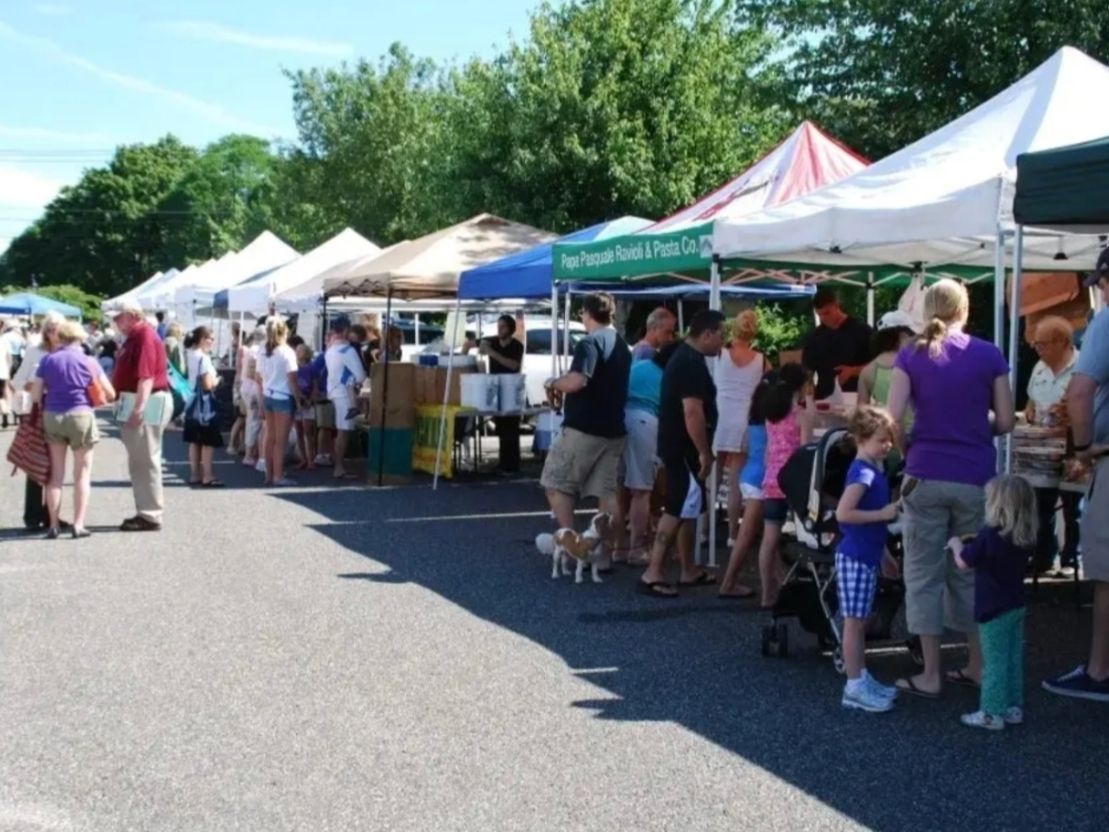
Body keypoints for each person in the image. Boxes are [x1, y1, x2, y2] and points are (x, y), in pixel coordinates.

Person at [887, 278, 1014, 698]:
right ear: (965, 309)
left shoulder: (910, 354)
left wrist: (909, 450)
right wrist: (975, 428)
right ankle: (978, 665)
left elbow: (892, 418)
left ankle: (930, 674)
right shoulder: (989, 354)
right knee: (971, 571)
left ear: (926, 311)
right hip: (976, 476)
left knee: (922, 575)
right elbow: (1007, 421)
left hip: (924, 473)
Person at [1043, 251, 1109, 702]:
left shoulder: (1105, 322)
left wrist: (1084, 448)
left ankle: (1100, 670)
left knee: (1105, 572)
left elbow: (1081, 393)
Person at [637, 310, 724, 597]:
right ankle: (653, 570)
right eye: (721, 335)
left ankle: (688, 568)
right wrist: (703, 452)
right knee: (676, 507)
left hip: (678, 444)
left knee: (689, 506)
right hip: (684, 447)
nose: (723, 342)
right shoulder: (689, 363)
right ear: (707, 335)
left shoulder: (684, 356)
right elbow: (692, 411)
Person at [541, 292, 632, 563]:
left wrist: (552, 382)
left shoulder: (589, 343)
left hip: (584, 429)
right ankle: (604, 556)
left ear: (586, 314)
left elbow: (578, 381)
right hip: (614, 429)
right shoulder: (622, 345)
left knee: (556, 483)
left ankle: (572, 546)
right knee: (606, 494)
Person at [949, 474, 1037, 730]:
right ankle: (1012, 706)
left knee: (994, 662)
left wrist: (955, 544)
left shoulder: (989, 535)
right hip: (1015, 604)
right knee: (1012, 659)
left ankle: (991, 712)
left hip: (992, 609)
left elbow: (964, 562)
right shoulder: (1023, 535)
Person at [833, 406, 902, 712]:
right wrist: (882, 514)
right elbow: (843, 513)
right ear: (861, 440)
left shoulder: (872, 470)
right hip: (856, 556)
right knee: (854, 624)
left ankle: (860, 677)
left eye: (889, 439)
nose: (887, 445)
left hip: (865, 555)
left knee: (858, 623)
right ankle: (854, 685)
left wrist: (884, 554)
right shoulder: (863, 473)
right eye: (881, 440)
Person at [32, 319, 116, 539]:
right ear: (79, 338)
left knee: (55, 475)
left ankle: (53, 525)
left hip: (53, 416)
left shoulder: (47, 360)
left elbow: (36, 395)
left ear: (60, 337)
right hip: (81, 415)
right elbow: (110, 393)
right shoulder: (89, 361)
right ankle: (78, 525)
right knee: (82, 475)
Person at [1024, 315, 1081, 576]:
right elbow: (1030, 399)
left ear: (1061, 342)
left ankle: (1071, 559)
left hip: (1073, 448)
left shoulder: (1082, 367)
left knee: (1072, 507)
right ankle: (1043, 557)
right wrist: (1030, 410)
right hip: (1042, 449)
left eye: (1042, 344)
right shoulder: (1039, 367)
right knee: (1041, 506)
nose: (1037, 349)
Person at [614, 340, 679, 566]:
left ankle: (618, 547)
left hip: (619, 420)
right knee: (641, 491)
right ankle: (636, 549)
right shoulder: (669, 377)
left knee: (619, 489)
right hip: (644, 423)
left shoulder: (640, 365)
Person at [111, 299, 174, 532]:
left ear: (131, 315)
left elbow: (146, 376)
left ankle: (150, 514)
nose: (115, 322)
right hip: (143, 400)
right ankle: (147, 512)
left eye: (118, 317)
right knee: (141, 459)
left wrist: (138, 408)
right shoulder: (137, 336)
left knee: (146, 459)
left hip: (148, 401)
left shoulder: (144, 336)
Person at [757, 365, 815, 607]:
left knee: (768, 540)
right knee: (808, 534)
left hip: (772, 479)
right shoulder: (802, 416)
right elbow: (805, 451)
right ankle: (811, 584)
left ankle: (766, 593)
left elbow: (769, 451)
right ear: (802, 386)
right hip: (794, 482)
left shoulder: (772, 415)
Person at [713, 309, 770, 546]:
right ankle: (732, 535)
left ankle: (704, 530)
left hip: (720, 417)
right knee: (736, 480)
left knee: (713, 476)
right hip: (745, 420)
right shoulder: (762, 360)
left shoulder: (718, 353)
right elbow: (771, 388)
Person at [718, 375, 776, 600]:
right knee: (747, 536)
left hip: (748, 476)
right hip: (760, 480)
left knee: (768, 533)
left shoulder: (753, 422)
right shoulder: (772, 423)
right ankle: (728, 582)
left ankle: (780, 580)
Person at [13, 312, 70, 531]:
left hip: (60, 410)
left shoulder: (69, 351)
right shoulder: (34, 352)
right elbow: (18, 381)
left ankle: (51, 514)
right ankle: (32, 514)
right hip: (38, 410)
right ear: (45, 331)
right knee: (35, 461)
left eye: (58, 328)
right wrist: (37, 386)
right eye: (51, 328)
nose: (54, 332)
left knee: (57, 464)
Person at [468, 314, 526, 473]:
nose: (499, 330)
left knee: (511, 427)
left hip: (511, 389)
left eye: (503, 327)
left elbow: (514, 365)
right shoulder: (492, 341)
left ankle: (513, 464)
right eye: (498, 326)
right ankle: (503, 461)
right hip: (495, 388)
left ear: (511, 329)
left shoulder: (517, 346)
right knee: (500, 426)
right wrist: (467, 356)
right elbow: (469, 344)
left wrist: (492, 353)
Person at [802, 287, 873, 401]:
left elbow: (878, 366)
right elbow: (808, 371)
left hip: (857, 399)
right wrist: (807, 387)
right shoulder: (814, 338)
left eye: (827, 313)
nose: (823, 318)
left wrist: (853, 371)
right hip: (825, 401)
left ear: (837, 305)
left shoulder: (862, 331)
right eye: (819, 315)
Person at [255, 317, 301, 487]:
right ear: (285, 332)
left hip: (268, 395)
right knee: (281, 440)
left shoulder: (262, 350)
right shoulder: (287, 352)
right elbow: (293, 380)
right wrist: (299, 400)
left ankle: (269, 475)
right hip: (283, 396)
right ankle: (278, 476)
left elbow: (258, 378)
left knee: (270, 438)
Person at [324, 317, 367, 480]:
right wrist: (354, 381)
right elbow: (361, 376)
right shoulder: (347, 350)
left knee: (341, 430)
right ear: (346, 330)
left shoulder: (330, 350)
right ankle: (339, 467)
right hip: (344, 394)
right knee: (343, 431)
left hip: (334, 391)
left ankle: (338, 465)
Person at [183, 326, 224, 488]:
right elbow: (207, 385)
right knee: (207, 442)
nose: (213, 342)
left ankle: (195, 474)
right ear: (202, 340)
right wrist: (217, 381)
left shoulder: (189, 354)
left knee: (194, 441)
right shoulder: (204, 358)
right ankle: (208, 475)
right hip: (205, 405)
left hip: (191, 402)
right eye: (210, 339)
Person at [240, 327, 266, 469]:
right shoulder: (258, 350)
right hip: (253, 388)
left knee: (252, 421)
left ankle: (251, 453)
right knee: (254, 422)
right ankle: (249, 455)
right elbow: (253, 372)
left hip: (247, 386)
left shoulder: (251, 349)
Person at [294, 344, 318, 471]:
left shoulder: (312, 368)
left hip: (308, 402)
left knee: (308, 431)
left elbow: (315, 386)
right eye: (297, 350)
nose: (298, 353)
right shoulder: (294, 368)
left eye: (301, 351)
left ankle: (310, 459)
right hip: (297, 401)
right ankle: (303, 458)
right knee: (298, 431)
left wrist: (311, 400)